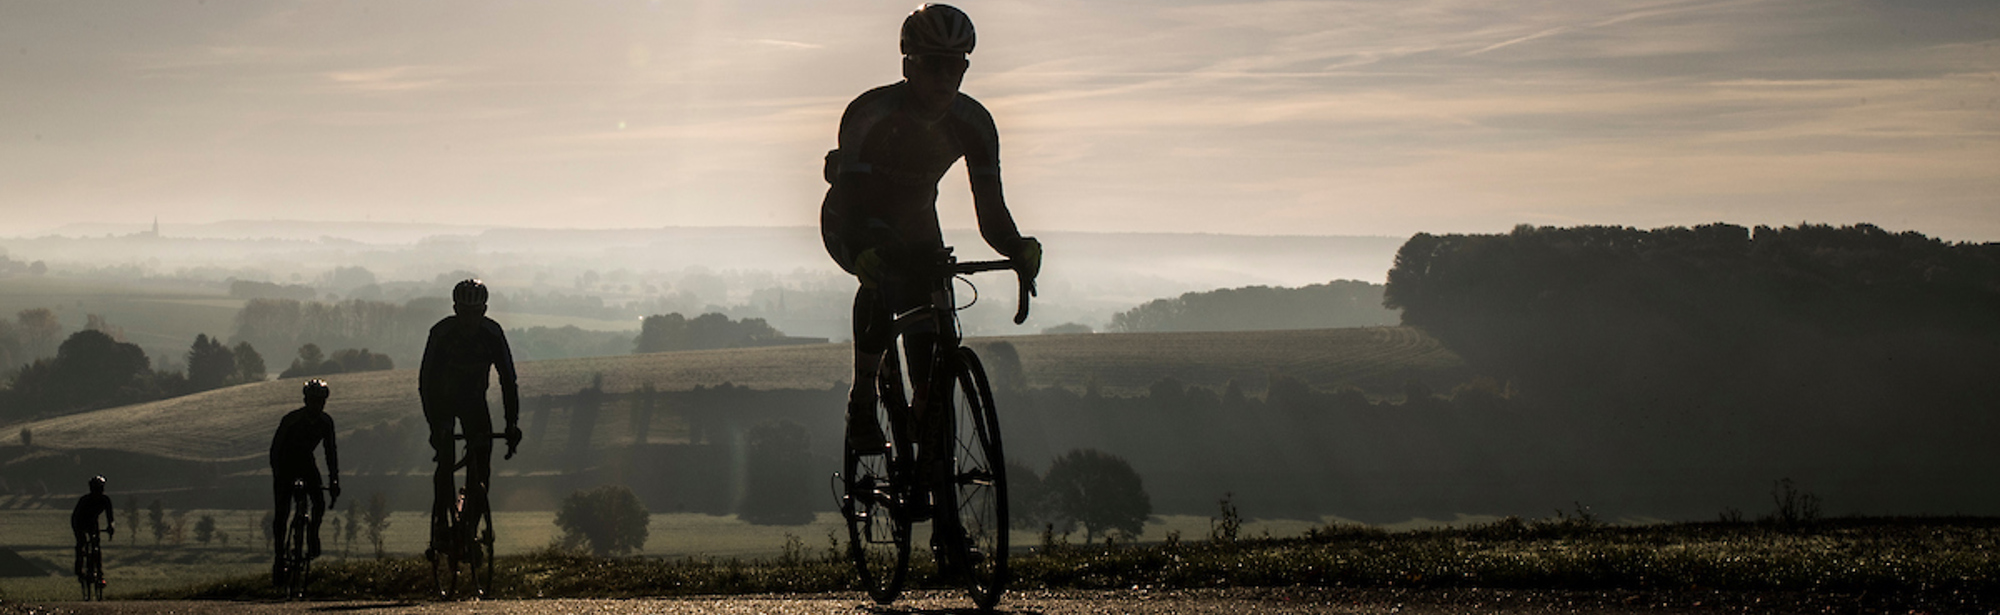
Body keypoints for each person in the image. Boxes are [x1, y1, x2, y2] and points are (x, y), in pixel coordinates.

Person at [820, 3, 1042, 455]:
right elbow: (853, 198)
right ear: (909, 64)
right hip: (854, 216)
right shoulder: (870, 113)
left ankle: (931, 445)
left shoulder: (974, 123)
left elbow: (990, 207)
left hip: (917, 220)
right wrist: (863, 249)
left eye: (957, 66)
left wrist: (1016, 245)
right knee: (882, 277)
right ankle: (863, 400)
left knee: (931, 307)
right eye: (935, 65)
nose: (946, 78)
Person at [419, 278, 522, 548]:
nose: (469, 320)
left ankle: (469, 529)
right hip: (442, 402)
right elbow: (426, 383)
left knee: (482, 462)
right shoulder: (441, 334)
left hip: (474, 402)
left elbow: (508, 381)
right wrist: (435, 426)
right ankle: (443, 522)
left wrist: (512, 423)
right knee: (447, 458)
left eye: (475, 313)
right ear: (455, 309)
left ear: (484, 311)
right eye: (464, 312)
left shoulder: (493, 334)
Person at [269, 379, 339, 580]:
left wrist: (334, 479)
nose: (317, 405)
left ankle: (312, 535)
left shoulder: (326, 422)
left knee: (319, 501)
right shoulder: (291, 420)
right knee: (282, 512)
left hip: (306, 462)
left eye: (321, 401)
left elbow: (330, 452)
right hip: (285, 463)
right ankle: (279, 557)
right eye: (313, 401)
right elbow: (275, 450)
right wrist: (278, 475)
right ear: (306, 400)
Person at [70, 475, 115, 584]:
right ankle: (79, 568)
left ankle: (99, 573)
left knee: (96, 547)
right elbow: (76, 517)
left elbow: (110, 517)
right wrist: (79, 533)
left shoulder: (105, 500)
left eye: (100, 489)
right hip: (79, 521)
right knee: (81, 544)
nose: (98, 492)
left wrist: (111, 527)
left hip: (92, 523)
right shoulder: (85, 500)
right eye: (96, 489)